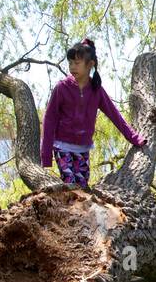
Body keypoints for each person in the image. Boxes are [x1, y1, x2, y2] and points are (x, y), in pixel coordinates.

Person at [39, 38, 146, 188]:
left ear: (90, 65)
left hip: (83, 148)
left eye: (77, 63)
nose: (72, 67)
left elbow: (115, 115)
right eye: (70, 63)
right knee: (70, 184)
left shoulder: (96, 91)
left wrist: (134, 138)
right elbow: (49, 119)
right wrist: (46, 156)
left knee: (83, 187)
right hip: (62, 146)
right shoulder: (62, 88)